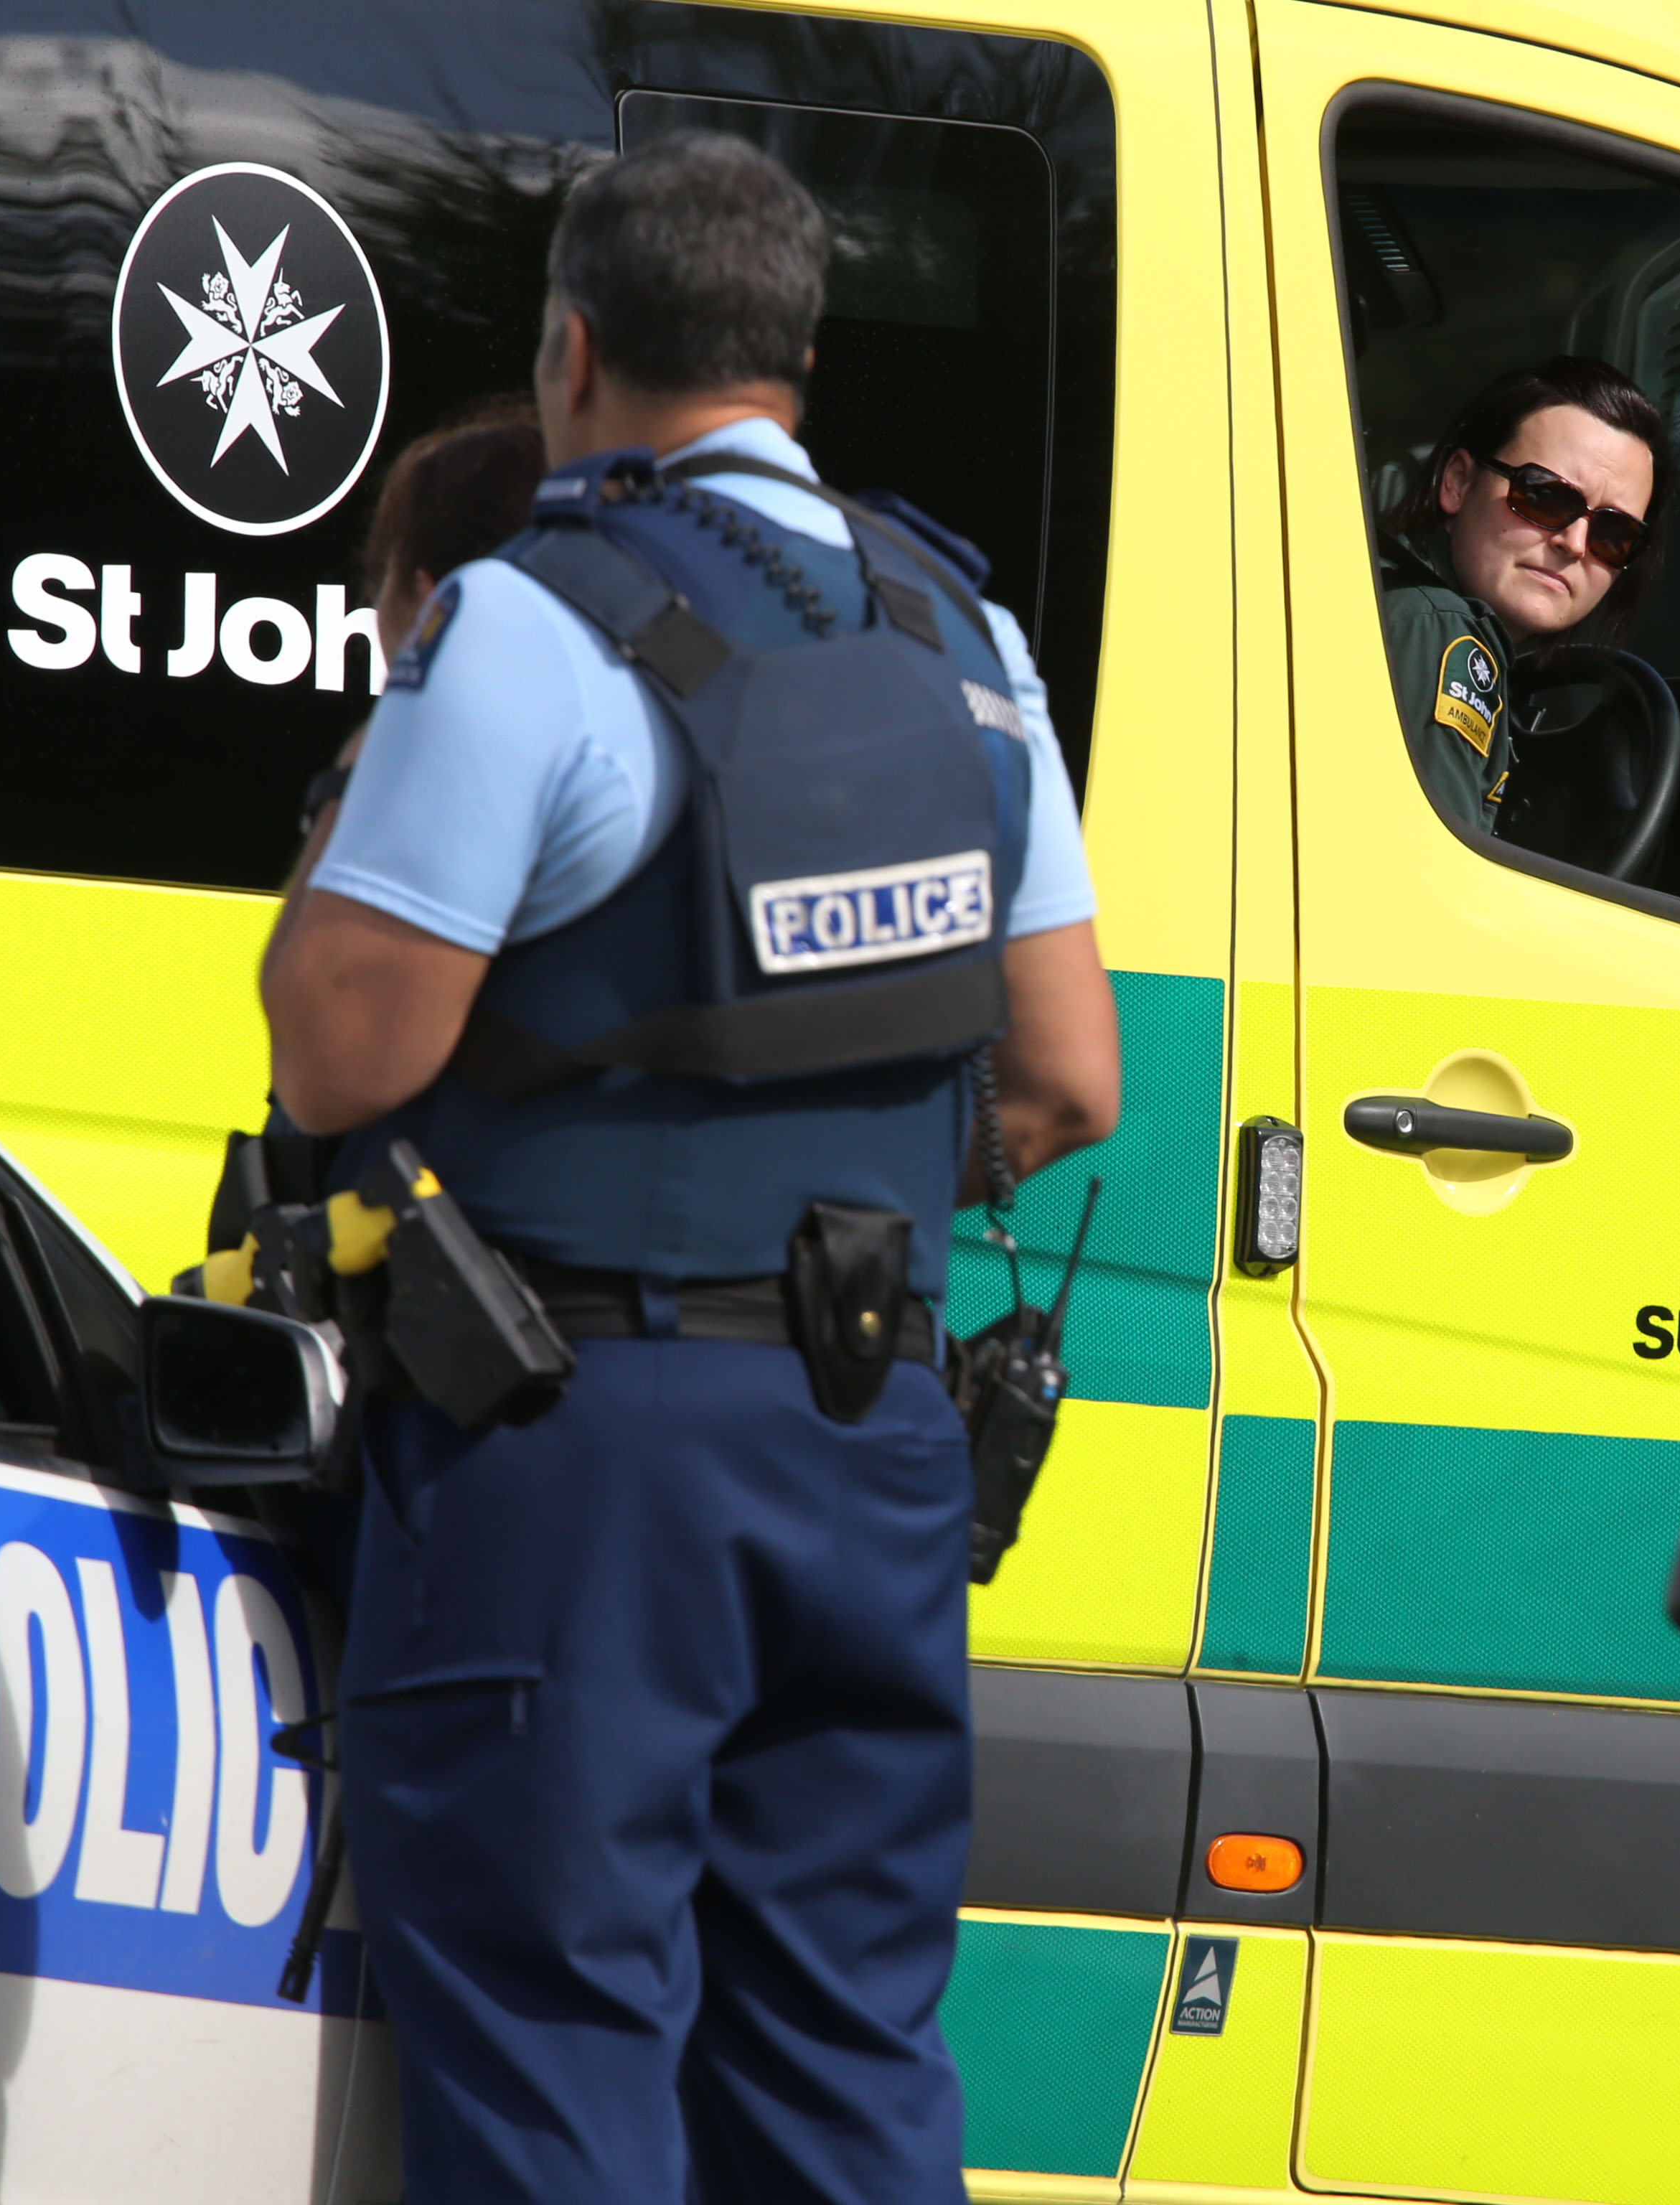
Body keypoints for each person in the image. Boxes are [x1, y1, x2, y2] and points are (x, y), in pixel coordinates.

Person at [256, 132, 1119, 2205]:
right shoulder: (961, 629)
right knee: (841, 2065)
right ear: (799, 354)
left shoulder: (533, 631)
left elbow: (338, 1049)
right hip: (878, 1433)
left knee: (562, 2071)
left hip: (588, 1456)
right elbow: (1073, 1076)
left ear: (571, 351)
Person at [1377, 356, 1668, 834]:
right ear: (1458, 482)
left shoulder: (1402, 612)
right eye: (1546, 496)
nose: (1574, 545)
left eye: (1615, 534)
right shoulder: (1439, 634)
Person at [286, 401, 548, 892]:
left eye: (378, 580)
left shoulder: (446, 807)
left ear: (435, 604)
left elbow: (312, 970)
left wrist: (352, 786)